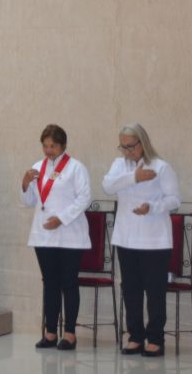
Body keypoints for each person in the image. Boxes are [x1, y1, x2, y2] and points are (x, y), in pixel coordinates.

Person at [102, 123, 181, 357]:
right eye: (123, 147)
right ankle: (135, 336)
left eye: (131, 147)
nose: (127, 152)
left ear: (142, 143)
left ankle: (155, 338)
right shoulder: (119, 166)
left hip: (154, 239)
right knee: (131, 289)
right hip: (126, 237)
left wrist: (153, 207)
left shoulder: (161, 167)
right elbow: (107, 186)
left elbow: (175, 199)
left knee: (154, 290)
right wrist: (134, 177)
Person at [20, 124, 91, 350]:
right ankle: (50, 332)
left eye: (53, 146)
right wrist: (24, 184)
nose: (49, 150)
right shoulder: (37, 167)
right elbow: (30, 201)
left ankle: (69, 333)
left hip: (69, 234)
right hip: (43, 235)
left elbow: (84, 198)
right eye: (45, 145)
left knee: (69, 283)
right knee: (49, 283)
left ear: (63, 145)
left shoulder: (75, 168)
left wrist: (62, 218)